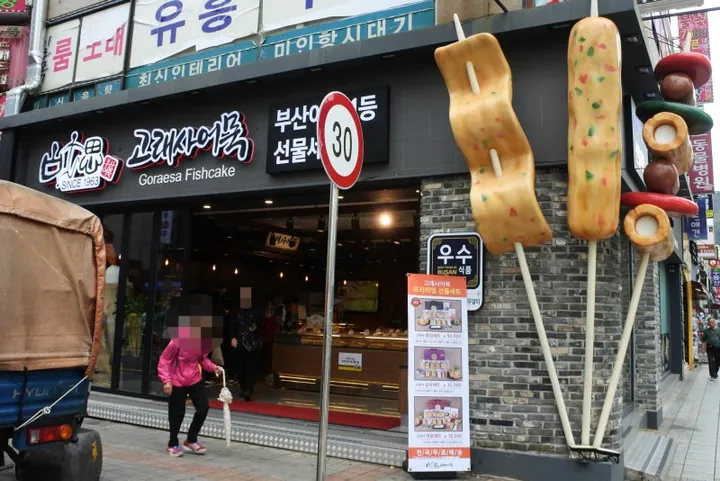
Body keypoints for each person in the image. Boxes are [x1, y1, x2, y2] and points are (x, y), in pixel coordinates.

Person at [158, 294, 223, 457]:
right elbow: (164, 360)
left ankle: (191, 440)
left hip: (194, 378)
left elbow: (202, 359)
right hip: (177, 380)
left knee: (203, 407)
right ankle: (172, 443)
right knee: (177, 413)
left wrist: (214, 368)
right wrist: (166, 381)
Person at [231, 287, 263, 401]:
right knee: (240, 367)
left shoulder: (256, 311)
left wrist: (254, 328)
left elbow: (261, 324)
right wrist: (232, 337)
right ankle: (243, 388)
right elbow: (232, 325)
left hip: (252, 343)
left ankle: (248, 390)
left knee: (250, 367)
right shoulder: (236, 311)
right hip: (239, 342)